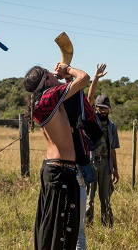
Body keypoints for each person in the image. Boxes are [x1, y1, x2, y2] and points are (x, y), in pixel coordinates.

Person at [24, 63, 90, 250]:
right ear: (45, 80)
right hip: (61, 171)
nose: (54, 73)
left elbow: (76, 96)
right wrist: (68, 69)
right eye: (49, 73)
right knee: (61, 233)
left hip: (54, 169)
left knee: (51, 228)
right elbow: (84, 78)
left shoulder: (43, 101)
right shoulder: (50, 97)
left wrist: (64, 78)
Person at [60, 65, 103, 250]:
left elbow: (86, 96)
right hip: (72, 168)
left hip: (81, 168)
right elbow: (86, 94)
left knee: (77, 228)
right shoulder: (64, 111)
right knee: (72, 226)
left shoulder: (85, 117)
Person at [86, 64, 120, 227]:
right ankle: (88, 225)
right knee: (89, 197)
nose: (103, 111)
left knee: (105, 197)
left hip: (106, 164)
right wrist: (95, 79)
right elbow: (90, 97)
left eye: (106, 108)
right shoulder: (92, 119)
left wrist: (115, 169)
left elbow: (113, 149)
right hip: (92, 162)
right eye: (101, 108)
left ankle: (108, 226)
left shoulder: (112, 126)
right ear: (96, 108)